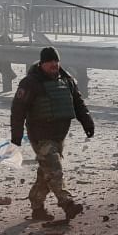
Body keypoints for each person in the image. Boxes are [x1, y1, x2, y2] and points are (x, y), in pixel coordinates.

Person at [10, 47, 94, 221]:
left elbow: (78, 103)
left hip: (59, 135)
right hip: (40, 136)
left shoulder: (66, 80)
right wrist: (16, 137)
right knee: (55, 170)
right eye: (50, 62)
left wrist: (87, 122)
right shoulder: (30, 83)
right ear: (42, 64)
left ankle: (37, 205)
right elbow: (18, 111)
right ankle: (67, 203)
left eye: (56, 61)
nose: (54, 65)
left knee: (46, 174)